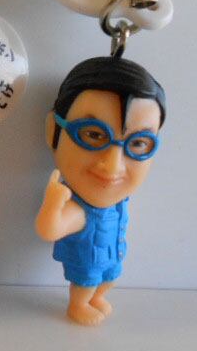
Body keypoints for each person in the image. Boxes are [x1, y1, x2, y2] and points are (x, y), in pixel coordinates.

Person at [35, 56, 166, 326]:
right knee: (86, 282)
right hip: (88, 263)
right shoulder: (79, 210)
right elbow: (49, 230)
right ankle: (79, 304)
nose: (113, 166)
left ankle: (96, 298)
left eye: (138, 143)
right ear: (53, 130)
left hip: (113, 256)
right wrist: (53, 202)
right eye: (94, 135)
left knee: (109, 279)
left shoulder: (119, 202)